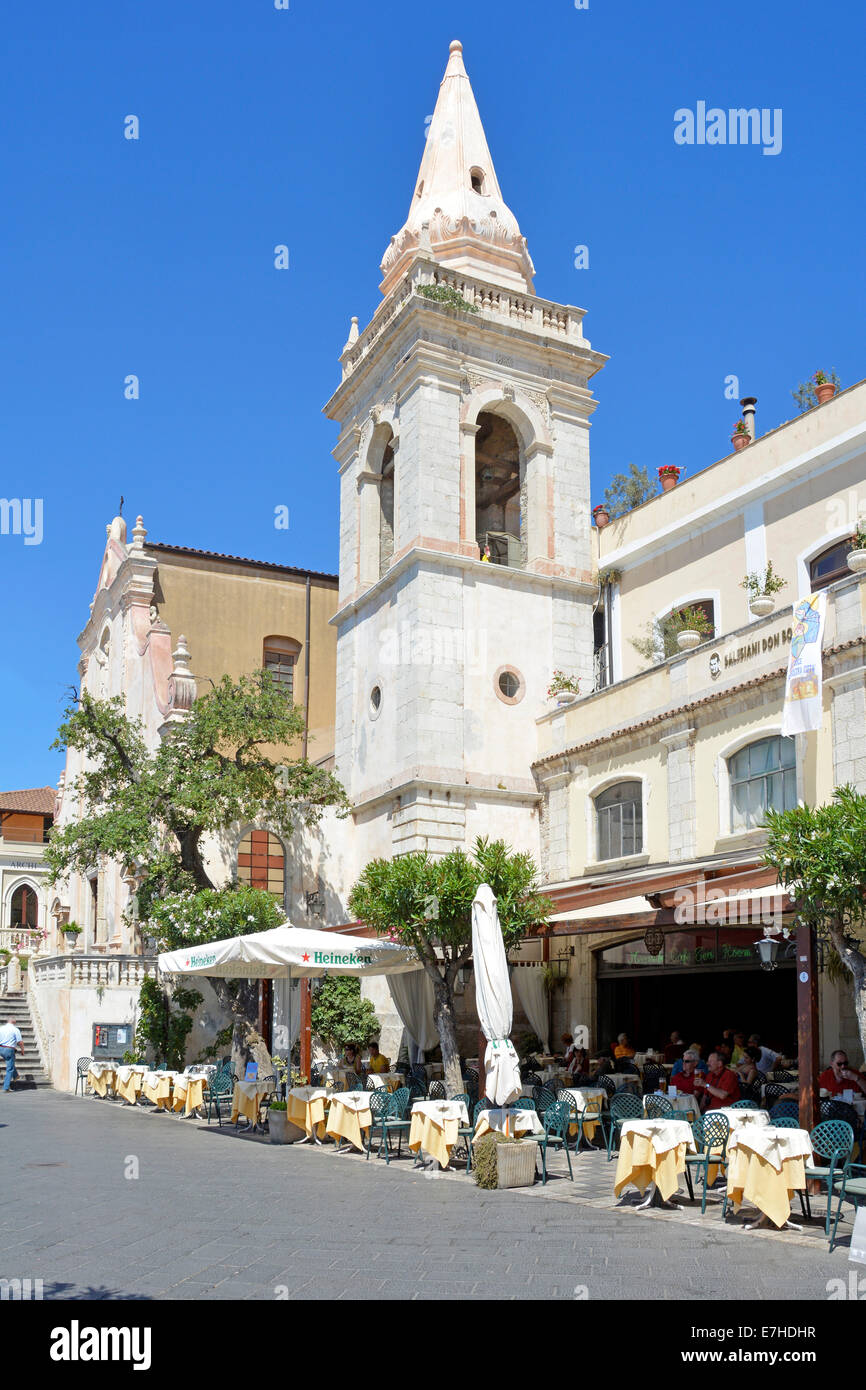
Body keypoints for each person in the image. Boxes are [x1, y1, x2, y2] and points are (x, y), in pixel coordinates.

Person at [0, 1017, 23, 1093]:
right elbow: (19, 1042)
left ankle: (16, 1075)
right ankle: (6, 1088)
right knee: (9, 1069)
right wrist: (22, 1050)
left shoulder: (1, 1028)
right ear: (14, 1022)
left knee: (10, 1062)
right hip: (9, 1049)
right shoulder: (15, 1029)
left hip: (1, 1048)